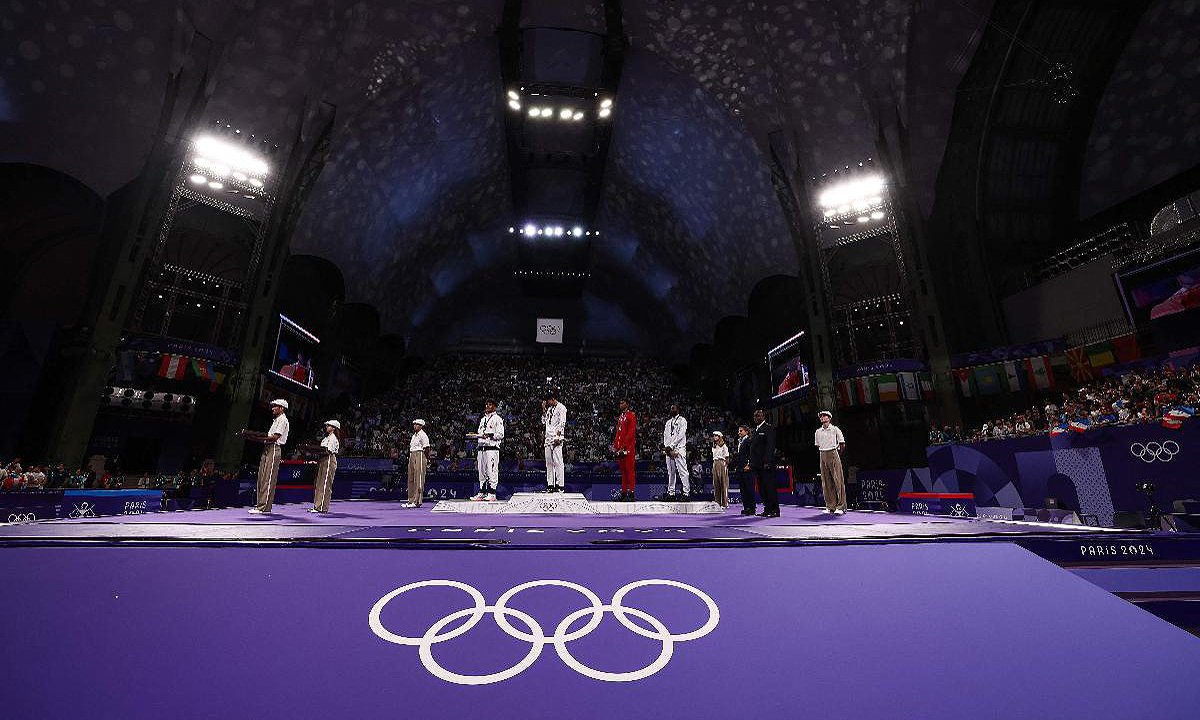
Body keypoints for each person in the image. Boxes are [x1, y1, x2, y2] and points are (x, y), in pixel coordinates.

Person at [249, 399, 290, 514]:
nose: (272, 408)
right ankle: (260, 505)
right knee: (262, 477)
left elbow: (275, 437)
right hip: (267, 447)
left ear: (281, 408)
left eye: (275, 406)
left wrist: (257, 437)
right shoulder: (276, 420)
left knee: (268, 478)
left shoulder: (282, 420)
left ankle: (264, 507)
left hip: (273, 448)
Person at [470, 400, 505, 501]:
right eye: (486, 404)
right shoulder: (483, 419)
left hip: (492, 449)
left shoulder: (497, 419)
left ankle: (492, 493)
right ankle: (482, 492)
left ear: (495, 407)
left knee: (492, 471)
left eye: (490, 405)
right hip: (481, 448)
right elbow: (480, 433)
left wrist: (490, 435)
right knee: (481, 471)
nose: (487, 406)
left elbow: (500, 435)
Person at [814, 410, 847, 514]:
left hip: (833, 453)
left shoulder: (835, 429)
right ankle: (830, 506)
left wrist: (836, 454)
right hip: (822, 453)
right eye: (821, 416)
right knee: (826, 481)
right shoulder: (818, 432)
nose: (822, 418)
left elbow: (842, 444)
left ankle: (841, 506)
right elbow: (818, 445)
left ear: (829, 418)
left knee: (838, 480)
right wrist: (824, 453)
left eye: (824, 416)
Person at [749, 408, 778, 517]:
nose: (756, 418)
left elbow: (770, 446)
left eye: (759, 416)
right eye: (755, 416)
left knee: (769, 487)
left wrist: (767, 461)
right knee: (762, 489)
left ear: (763, 417)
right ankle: (767, 509)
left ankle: (774, 510)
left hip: (766, 464)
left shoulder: (768, 428)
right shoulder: (756, 430)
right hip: (757, 465)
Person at [310, 420, 341, 513]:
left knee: (325, 484)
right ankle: (317, 506)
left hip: (329, 459)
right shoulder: (327, 438)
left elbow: (328, 450)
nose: (327, 427)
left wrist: (315, 449)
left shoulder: (333, 438)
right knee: (319, 483)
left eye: (329, 426)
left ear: (334, 428)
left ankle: (322, 507)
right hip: (323, 459)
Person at [662, 403, 689, 500]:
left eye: (673, 408)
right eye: (671, 408)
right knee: (671, 472)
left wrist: (672, 446)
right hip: (669, 450)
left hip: (679, 449)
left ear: (678, 409)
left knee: (683, 472)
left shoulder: (682, 420)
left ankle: (686, 493)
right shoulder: (668, 422)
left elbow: (681, 434)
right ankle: (671, 493)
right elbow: (665, 435)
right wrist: (667, 447)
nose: (671, 409)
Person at [541, 392, 567, 493]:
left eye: (548, 401)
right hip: (548, 438)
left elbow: (562, 422)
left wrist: (558, 436)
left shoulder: (561, 407)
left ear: (552, 399)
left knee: (558, 462)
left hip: (556, 438)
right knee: (549, 462)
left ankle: (560, 485)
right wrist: (543, 409)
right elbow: (544, 421)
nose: (547, 403)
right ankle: (550, 484)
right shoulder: (549, 409)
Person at [612, 398, 637, 501]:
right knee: (623, 472)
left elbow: (631, 433)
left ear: (627, 404)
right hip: (620, 449)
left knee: (630, 471)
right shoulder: (621, 417)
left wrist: (624, 446)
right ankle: (623, 492)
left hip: (628, 449)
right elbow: (618, 433)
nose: (620, 404)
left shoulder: (631, 415)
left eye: (622, 403)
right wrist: (616, 446)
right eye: (620, 403)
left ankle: (631, 493)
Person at [402, 419, 430, 508]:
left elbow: (427, 448)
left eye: (417, 424)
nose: (415, 426)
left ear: (421, 426)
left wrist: (426, 459)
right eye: (414, 424)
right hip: (412, 454)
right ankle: (410, 500)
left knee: (418, 478)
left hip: (420, 454)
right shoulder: (414, 436)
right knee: (411, 478)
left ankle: (417, 501)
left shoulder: (423, 435)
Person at [734, 425, 755, 515]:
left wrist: (749, 465)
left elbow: (752, 454)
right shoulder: (740, 441)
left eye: (741, 431)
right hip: (741, 468)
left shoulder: (749, 441)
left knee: (749, 489)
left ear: (746, 431)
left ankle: (752, 508)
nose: (739, 433)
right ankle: (746, 507)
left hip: (747, 469)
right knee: (743, 489)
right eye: (739, 431)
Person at [711, 431, 730, 508]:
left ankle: (724, 503)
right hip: (715, 463)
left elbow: (727, 458)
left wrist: (724, 466)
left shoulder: (724, 446)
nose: (714, 437)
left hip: (722, 463)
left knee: (723, 483)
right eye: (714, 436)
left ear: (719, 437)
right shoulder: (714, 446)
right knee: (716, 483)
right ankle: (717, 502)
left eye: (716, 436)